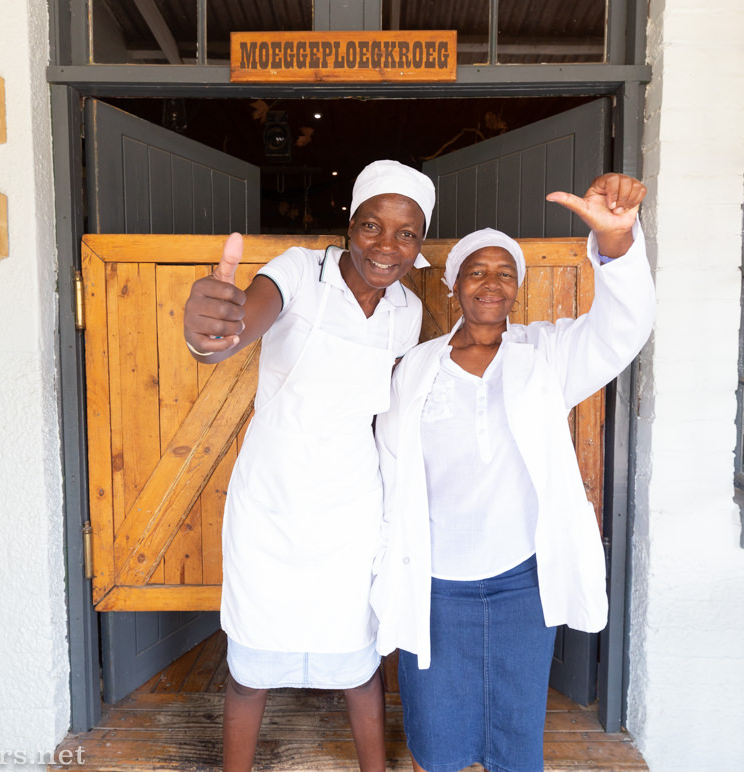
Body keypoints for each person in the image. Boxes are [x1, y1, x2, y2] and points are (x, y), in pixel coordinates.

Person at [370, 174, 656, 772]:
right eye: (477, 271)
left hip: (521, 578)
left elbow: (622, 330)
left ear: (517, 288)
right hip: (434, 580)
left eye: (505, 273)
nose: (491, 282)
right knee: (434, 730)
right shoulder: (415, 369)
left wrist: (616, 241)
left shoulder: (547, 355)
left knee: (516, 729)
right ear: (454, 286)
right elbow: (387, 469)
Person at [182, 160, 436, 772]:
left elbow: (391, 414)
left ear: (420, 244)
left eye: (406, 233)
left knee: (357, 661)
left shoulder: (406, 312)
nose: (386, 245)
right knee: (250, 668)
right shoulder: (300, 271)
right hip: (270, 499)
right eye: (372, 225)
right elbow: (240, 322)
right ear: (350, 224)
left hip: (351, 504)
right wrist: (211, 332)